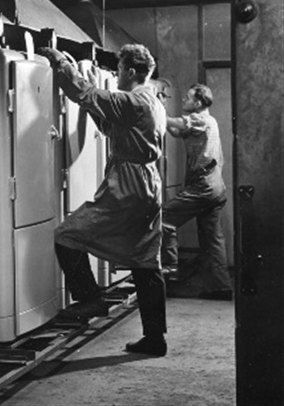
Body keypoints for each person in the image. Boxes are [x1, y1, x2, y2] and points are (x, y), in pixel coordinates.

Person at [40, 44, 168, 357]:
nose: (119, 76)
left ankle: (90, 299)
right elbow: (112, 125)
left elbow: (86, 93)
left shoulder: (134, 99)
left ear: (133, 72)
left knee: (67, 235)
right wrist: (91, 104)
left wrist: (61, 63)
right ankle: (155, 338)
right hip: (149, 186)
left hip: (128, 187)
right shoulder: (153, 101)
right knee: (145, 262)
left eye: (122, 69)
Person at [161, 84, 233, 300]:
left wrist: (155, 106)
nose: (183, 99)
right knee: (212, 239)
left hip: (203, 186)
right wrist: (162, 110)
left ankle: (170, 271)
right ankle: (220, 288)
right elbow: (174, 130)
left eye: (188, 97)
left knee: (163, 219)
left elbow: (174, 123)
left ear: (199, 102)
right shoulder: (205, 122)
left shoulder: (201, 119)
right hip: (214, 186)